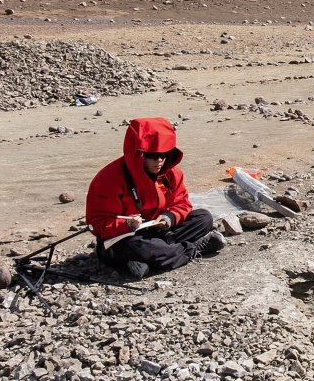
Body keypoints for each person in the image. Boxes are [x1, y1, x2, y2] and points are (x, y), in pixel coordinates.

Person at [86, 117, 224, 279]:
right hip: (121, 239)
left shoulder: (172, 173)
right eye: (153, 155)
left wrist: (169, 218)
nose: (159, 161)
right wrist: (127, 224)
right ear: (139, 154)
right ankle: (192, 250)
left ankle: (152, 256)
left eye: (164, 154)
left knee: (203, 218)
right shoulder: (109, 178)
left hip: (157, 230)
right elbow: (96, 224)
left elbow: (181, 203)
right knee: (140, 246)